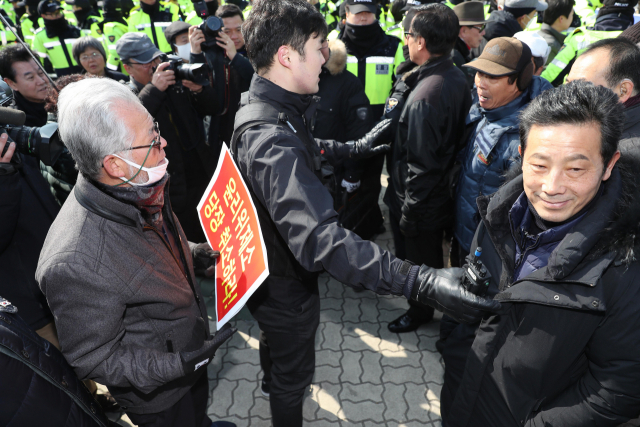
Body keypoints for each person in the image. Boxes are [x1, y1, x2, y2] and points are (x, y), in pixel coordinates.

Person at [236, 1, 501, 426]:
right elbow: (322, 240)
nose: (326, 56)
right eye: (319, 46)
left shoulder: (274, 106)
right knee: (292, 378)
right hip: (286, 285)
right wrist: (422, 279)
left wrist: (350, 149)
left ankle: (273, 376)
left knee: (278, 354)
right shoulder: (269, 136)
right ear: (287, 56)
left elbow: (304, 148)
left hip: (278, 276)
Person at [36, 77, 238, 427]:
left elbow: (146, 247)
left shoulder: (138, 183)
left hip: (191, 358)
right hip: (159, 394)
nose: (164, 143)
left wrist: (194, 251)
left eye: (154, 129)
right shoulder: (73, 262)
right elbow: (92, 357)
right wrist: (175, 365)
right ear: (114, 165)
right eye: (151, 141)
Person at [443, 79, 640, 427]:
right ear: (521, 156)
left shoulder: (624, 268)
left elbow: (618, 389)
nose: (551, 187)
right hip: (462, 399)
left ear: (609, 165)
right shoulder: (497, 214)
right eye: (539, 165)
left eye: (576, 169)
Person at [446, 36, 552, 419]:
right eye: (478, 74)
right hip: (465, 236)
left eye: (493, 77)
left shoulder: (533, 134)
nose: (480, 84)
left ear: (520, 81)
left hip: (496, 256)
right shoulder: (482, 109)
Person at [385, 4, 473, 334]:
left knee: (419, 263)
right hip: (435, 195)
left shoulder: (428, 94)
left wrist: (409, 212)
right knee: (429, 258)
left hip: (420, 201)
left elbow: (421, 165)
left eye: (408, 35)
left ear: (420, 41)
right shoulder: (453, 74)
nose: (406, 41)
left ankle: (421, 311)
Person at [117, 32, 219, 243]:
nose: (155, 66)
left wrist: (199, 89)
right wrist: (154, 89)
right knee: (192, 241)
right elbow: (129, 128)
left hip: (202, 172)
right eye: (147, 63)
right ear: (128, 68)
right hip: (173, 188)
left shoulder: (175, 78)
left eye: (156, 58)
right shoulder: (126, 96)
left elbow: (213, 108)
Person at [541, 0, 636, 86]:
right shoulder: (636, 41)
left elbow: (549, 78)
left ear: (603, 5)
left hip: (577, 101)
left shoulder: (580, 37)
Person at [567, 37, 640, 147]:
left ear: (623, 91)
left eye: (581, 86)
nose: (567, 95)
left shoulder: (625, 154)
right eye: (567, 84)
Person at [31, 0, 82, 76]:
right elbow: (38, 61)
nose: (58, 16)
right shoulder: (39, 36)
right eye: (54, 14)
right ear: (43, 16)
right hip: (60, 75)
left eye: (59, 12)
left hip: (82, 71)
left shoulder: (76, 31)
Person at [0, 44, 47, 126]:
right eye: (30, 77)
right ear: (12, 84)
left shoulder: (62, 98)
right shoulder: (16, 122)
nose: (41, 81)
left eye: (41, 73)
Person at [452, 1, 487, 87]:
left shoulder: (456, 51)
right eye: (481, 27)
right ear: (463, 31)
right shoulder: (454, 57)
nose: (484, 32)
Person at [537, 0, 574, 65]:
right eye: (572, 15)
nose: (572, 18)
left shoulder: (542, 36)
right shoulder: (550, 45)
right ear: (561, 19)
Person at [99, 0, 129, 73]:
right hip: (129, 67)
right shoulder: (124, 21)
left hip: (121, 70)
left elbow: (115, 53)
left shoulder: (110, 27)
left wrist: (109, 71)